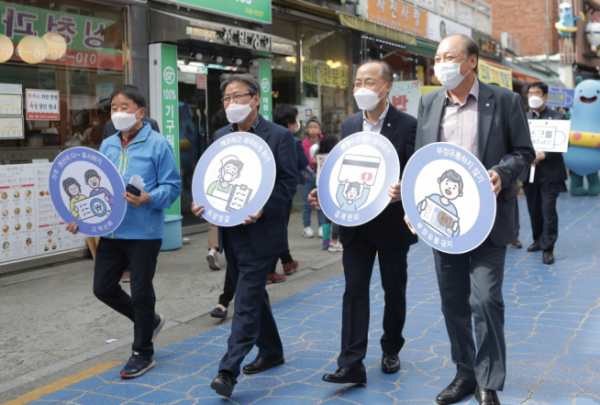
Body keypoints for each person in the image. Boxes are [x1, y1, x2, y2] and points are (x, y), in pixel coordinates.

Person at [407, 34, 534, 405]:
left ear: (472, 61)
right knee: (454, 303)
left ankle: (488, 381)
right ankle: (464, 374)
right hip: (444, 224)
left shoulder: (505, 101)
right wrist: (412, 206)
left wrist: (502, 172)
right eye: (437, 58)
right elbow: (422, 162)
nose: (441, 63)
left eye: (450, 56)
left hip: (489, 221)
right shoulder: (429, 103)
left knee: (486, 300)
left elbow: (524, 152)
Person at [309, 60, 418, 385]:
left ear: (387, 87)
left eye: (369, 82)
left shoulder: (409, 125)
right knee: (354, 290)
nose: (362, 88)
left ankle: (391, 348)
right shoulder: (349, 125)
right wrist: (323, 194)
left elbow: (414, 170)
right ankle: (351, 362)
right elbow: (340, 171)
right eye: (358, 82)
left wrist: (405, 189)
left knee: (393, 288)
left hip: (391, 224)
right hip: (355, 224)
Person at [192, 73, 297, 398]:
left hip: (261, 232)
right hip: (230, 231)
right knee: (253, 295)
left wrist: (263, 208)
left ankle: (228, 370)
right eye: (225, 99)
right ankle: (272, 350)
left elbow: (288, 184)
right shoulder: (222, 135)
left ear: (255, 99)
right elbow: (211, 175)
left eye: (238, 97)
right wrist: (202, 202)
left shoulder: (278, 135)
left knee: (247, 300)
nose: (230, 104)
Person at [66, 86, 181, 378]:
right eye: (114, 108)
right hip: (112, 231)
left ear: (140, 113)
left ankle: (143, 352)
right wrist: (82, 217)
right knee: (103, 288)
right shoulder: (107, 145)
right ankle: (150, 322)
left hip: (144, 231)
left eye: (124, 107)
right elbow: (97, 190)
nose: (117, 113)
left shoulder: (157, 144)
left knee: (141, 292)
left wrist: (149, 198)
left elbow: (173, 186)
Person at [522, 82, 567, 265]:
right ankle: (538, 240)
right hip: (529, 171)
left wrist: (545, 154)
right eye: (530, 93)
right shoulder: (524, 118)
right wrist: (526, 156)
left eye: (537, 93)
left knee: (548, 210)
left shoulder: (559, 117)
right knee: (534, 209)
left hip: (550, 172)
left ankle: (548, 248)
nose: (533, 96)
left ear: (545, 96)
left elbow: (564, 143)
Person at [266, 104, 309, 282]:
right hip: (283, 192)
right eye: (296, 120)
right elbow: (303, 163)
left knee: (276, 229)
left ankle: (287, 261)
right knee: (279, 230)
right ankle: (270, 271)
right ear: (291, 123)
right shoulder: (292, 140)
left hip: (267, 190)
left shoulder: (267, 136)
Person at [314, 135, 342, 252]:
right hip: (333, 187)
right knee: (336, 217)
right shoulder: (334, 157)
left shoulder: (319, 156)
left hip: (321, 187)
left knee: (327, 217)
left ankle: (325, 243)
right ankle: (334, 242)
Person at [301, 117, 326, 238]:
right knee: (307, 203)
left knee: (320, 202)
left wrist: (320, 161)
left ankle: (321, 226)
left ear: (320, 129)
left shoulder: (324, 141)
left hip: (322, 175)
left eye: (315, 127)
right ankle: (307, 226)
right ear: (306, 129)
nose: (313, 129)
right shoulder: (303, 143)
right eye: (310, 127)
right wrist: (312, 162)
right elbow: (302, 159)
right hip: (307, 176)